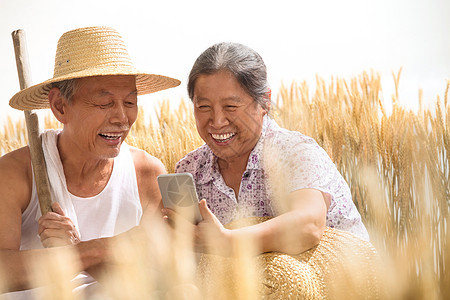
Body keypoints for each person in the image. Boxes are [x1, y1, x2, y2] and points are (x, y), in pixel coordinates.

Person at [0, 26, 180, 298]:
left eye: (130, 102)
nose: (122, 118)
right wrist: (98, 250)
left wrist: (79, 247)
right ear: (60, 106)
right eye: (105, 103)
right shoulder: (16, 173)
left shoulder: (146, 174)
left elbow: (158, 284)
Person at [166, 42, 369, 258]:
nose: (217, 121)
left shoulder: (297, 152)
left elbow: (309, 225)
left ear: (265, 102)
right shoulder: (189, 170)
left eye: (231, 107)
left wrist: (226, 240)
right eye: (203, 107)